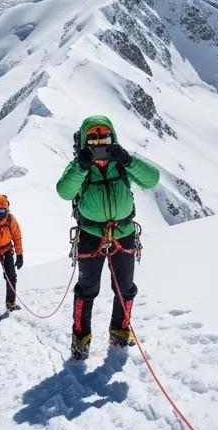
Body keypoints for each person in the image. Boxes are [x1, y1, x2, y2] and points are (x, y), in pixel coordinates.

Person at [56, 115, 160, 360]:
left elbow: (152, 179)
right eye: (93, 138)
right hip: (91, 233)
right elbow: (64, 191)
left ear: (112, 137)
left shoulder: (122, 163)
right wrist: (81, 166)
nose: (99, 142)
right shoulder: (80, 165)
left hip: (123, 232)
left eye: (104, 137)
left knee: (125, 287)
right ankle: (81, 339)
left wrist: (127, 159)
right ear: (84, 142)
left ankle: (120, 332)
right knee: (87, 289)